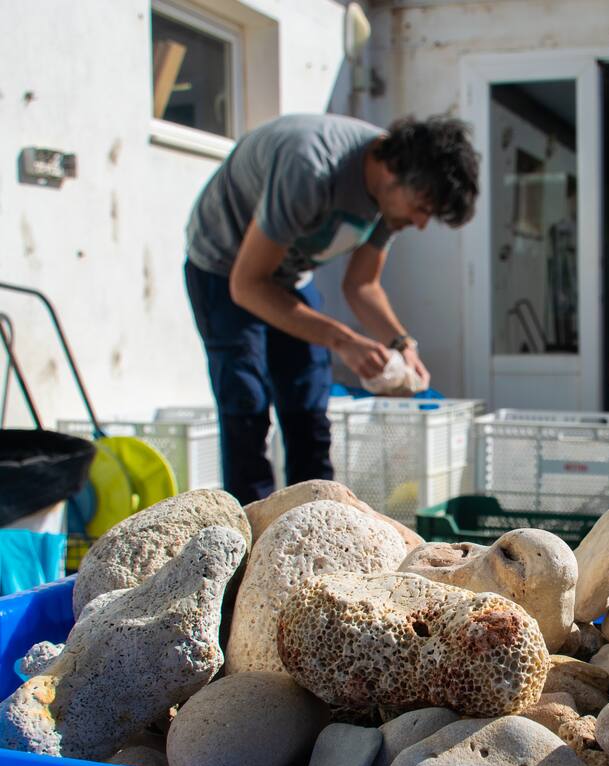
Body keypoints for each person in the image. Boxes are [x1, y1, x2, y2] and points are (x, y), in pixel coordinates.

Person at [184, 113, 480, 504]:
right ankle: (250, 538)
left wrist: (401, 342)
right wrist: (344, 340)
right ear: (394, 172)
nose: (421, 223)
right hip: (224, 270)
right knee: (247, 404)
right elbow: (248, 285)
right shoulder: (311, 169)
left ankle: (318, 520)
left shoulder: (390, 197)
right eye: (423, 207)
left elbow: (362, 285)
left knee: (308, 405)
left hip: (288, 278)